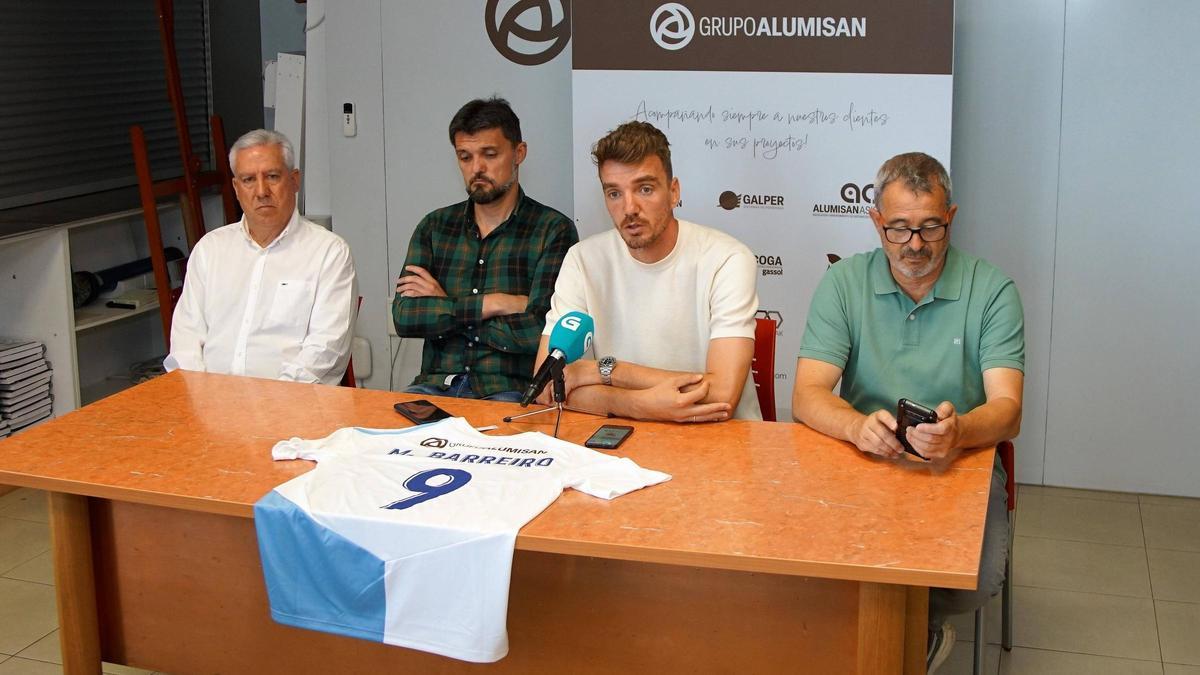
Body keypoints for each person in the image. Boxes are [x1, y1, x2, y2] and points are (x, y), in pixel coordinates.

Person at [791, 152, 1024, 673]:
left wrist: (960, 431)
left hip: (956, 464)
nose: (915, 245)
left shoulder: (992, 290)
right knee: (802, 559)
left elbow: (1008, 411)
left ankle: (914, 628)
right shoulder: (844, 283)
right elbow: (807, 395)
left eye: (929, 228)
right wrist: (854, 425)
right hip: (863, 458)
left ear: (952, 218)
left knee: (968, 583)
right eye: (898, 228)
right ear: (876, 221)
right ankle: (857, 635)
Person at [537, 121, 760, 422]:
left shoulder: (727, 259)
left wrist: (603, 371)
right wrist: (641, 405)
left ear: (673, 191)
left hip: (719, 442)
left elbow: (721, 394)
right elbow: (549, 385)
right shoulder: (582, 259)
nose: (629, 208)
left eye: (645, 189)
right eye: (614, 193)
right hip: (617, 444)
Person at [392, 97, 577, 401]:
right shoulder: (435, 227)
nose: (476, 168)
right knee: (383, 441)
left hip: (508, 390)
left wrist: (446, 306)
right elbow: (406, 317)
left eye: (489, 154)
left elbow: (540, 332)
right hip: (434, 387)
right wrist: (495, 303)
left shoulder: (552, 230)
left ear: (519, 153)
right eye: (465, 157)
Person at [164, 129, 358, 385]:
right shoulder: (210, 250)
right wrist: (202, 396)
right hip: (208, 405)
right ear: (235, 187)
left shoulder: (328, 253)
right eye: (248, 180)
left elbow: (326, 350)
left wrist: (271, 403)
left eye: (273, 176)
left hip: (292, 407)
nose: (261, 191)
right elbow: (185, 339)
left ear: (295, 180)